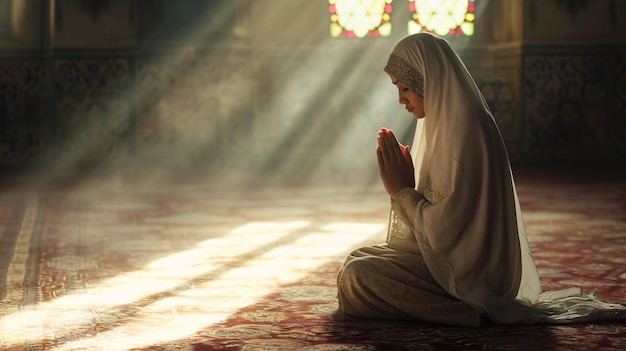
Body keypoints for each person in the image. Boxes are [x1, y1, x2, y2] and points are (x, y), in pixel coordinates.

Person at [336, 32, 626, 327]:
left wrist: (402, 193)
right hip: (452, 259)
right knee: (356, 259)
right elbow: (438, 224)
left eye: (406, 88)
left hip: (472, 273)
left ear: (428, 79)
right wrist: (404, 189)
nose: (401, 100)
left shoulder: (464, 129)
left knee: (358, 277)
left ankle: (469, 310)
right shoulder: (442, 121)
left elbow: (451, 228)